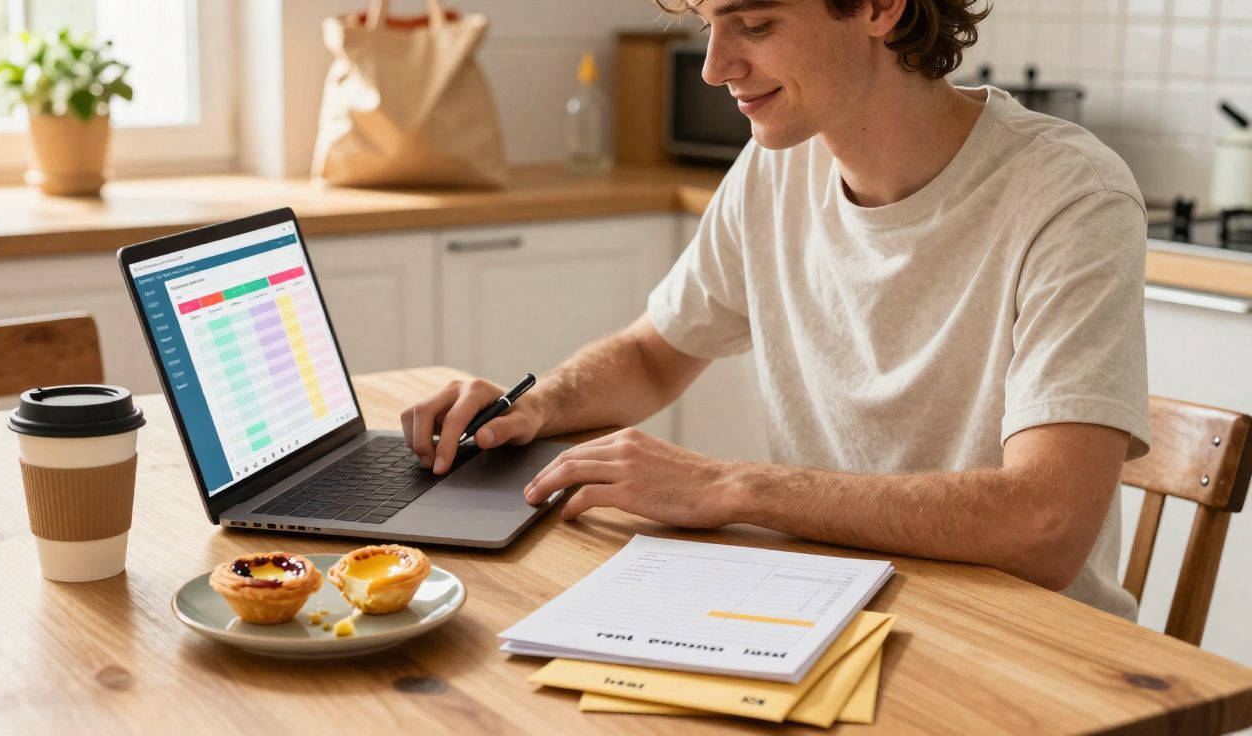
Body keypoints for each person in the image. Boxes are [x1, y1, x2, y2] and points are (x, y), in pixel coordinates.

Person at [400, 0, 1150, 619]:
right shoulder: (778, 164)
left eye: (754, 25)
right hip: (838, 611)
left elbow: (1046, 522)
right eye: (707, 23)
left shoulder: (1069, 195)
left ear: (882, 8)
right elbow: (654, 354)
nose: (715, 66)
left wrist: (735, 487)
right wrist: (531, 408)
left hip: (1027, 646)